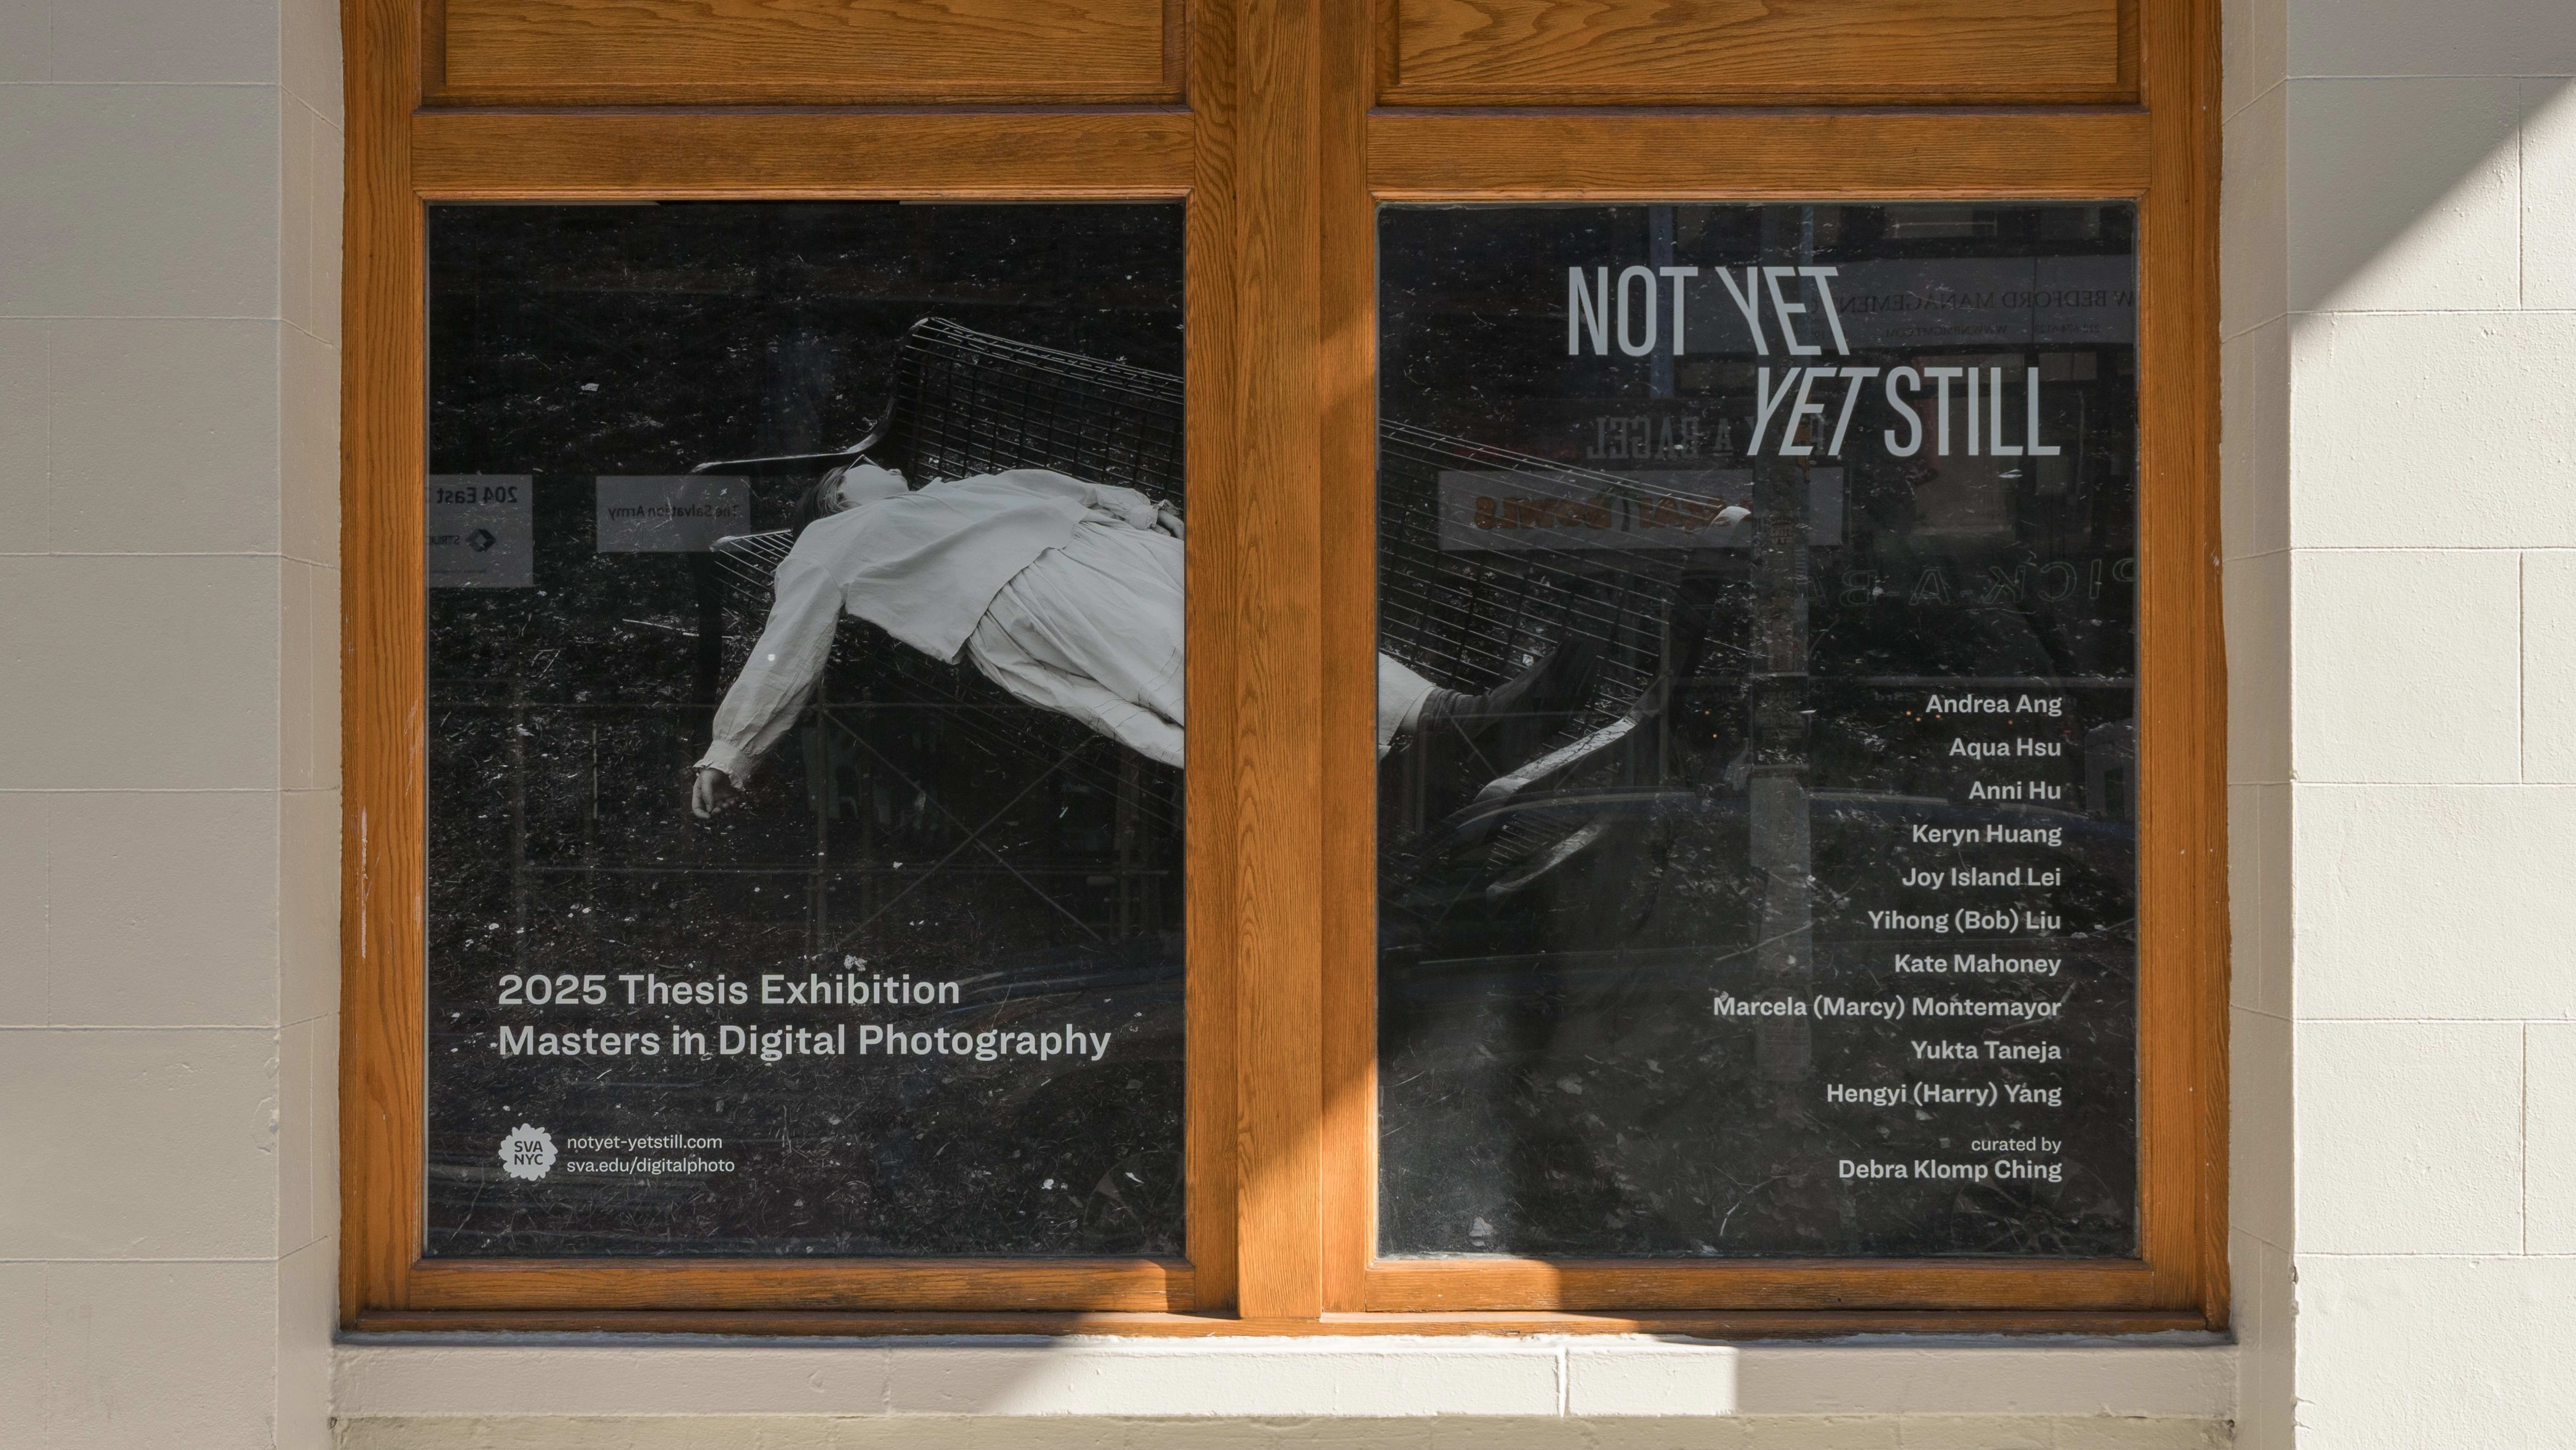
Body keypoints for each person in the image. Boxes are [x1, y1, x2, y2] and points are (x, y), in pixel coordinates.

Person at [690, 462, 1595, 818]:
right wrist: (734, 750)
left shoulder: (968, 488)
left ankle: (1456, 719)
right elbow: (788, 642)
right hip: (1025, 594)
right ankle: (1372, 775)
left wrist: (1148, 514)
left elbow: (1075, 488)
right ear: (844, 498)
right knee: (1196, 666)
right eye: (857, 470)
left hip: (1111, 550)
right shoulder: (832, 540)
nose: (880, 464)